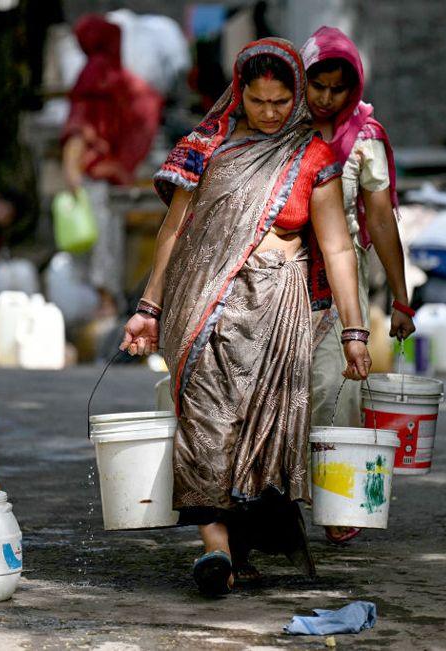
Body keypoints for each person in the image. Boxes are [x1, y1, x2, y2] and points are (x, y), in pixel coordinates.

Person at [120, 38, 372, 595]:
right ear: (240, 94)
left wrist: (355, 331)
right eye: (258, 102)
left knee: (263, 430)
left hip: (279, 313)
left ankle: (243, 548)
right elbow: (175, 232)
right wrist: (148, 308)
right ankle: (214, 551)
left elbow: (336, 248)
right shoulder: (206, 148)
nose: (270, 113)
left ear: (297, 97)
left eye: (282, 102)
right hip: (208, 305)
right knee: (207, 421)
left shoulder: (313, 156)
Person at [300, 28, 415, 543]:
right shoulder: (280, 125)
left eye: (337, 89)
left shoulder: (363, 139)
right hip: (275, 281)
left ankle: (338, 498)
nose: (326, 98)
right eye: (317, 86)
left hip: (338, 283)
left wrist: (400, 298)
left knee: (335, 384)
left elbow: (382, 220)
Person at [61, 14, 163, 318]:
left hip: (91, 176)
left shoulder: (93, 73)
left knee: (101, 243)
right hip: (104, 176)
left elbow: (79, 127)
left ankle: (105, 305)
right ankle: (106, 305)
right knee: (106, 242)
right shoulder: (112, 74)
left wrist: (71, 170)